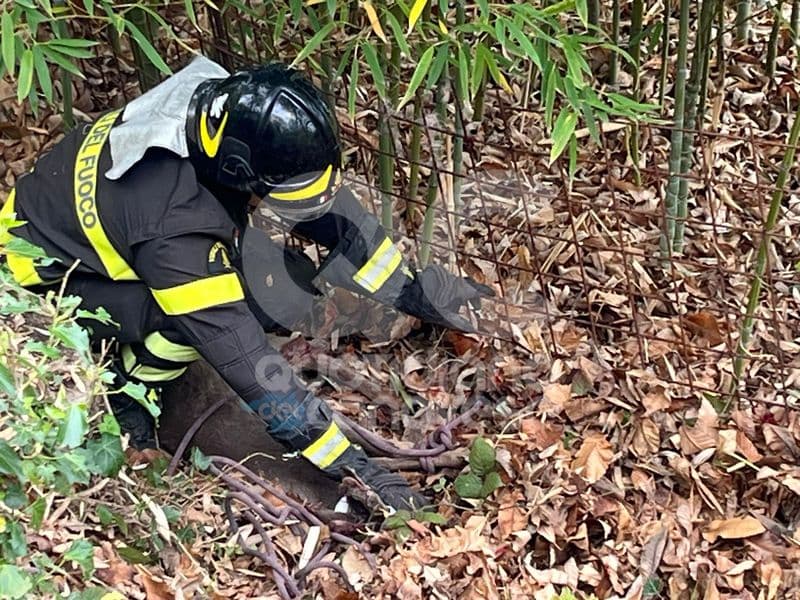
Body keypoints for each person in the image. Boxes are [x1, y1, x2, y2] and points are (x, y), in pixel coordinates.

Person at [0, 56, 493, 511]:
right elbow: (250, 365)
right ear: (237, 171)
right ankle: (133, 393)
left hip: (70, 211)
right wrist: (359, 471)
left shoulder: (217, 102)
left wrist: (413, 292)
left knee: (268, 285)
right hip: (43, 278)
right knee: (196, 318)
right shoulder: (176, 229)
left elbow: (330, 215)